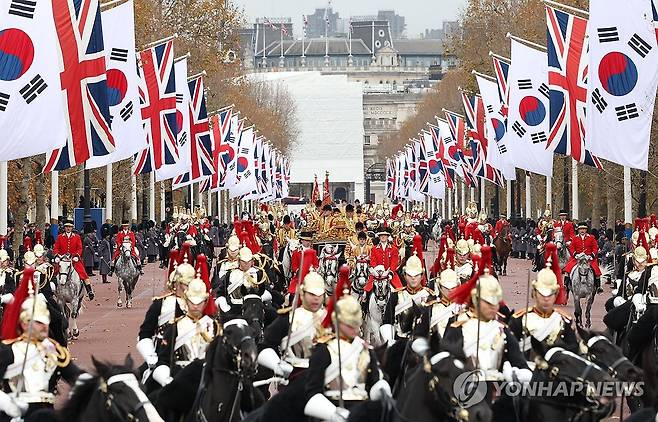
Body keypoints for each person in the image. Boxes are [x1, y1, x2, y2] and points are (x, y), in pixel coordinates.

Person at [0, 270, 82, 420]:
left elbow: (77, 377)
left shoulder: (53, 350)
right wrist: (7, 403)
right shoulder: (8, 350)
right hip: (14, 415)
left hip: (46, 415)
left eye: (45, 322)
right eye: (38, 322)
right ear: (25, 324)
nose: (44, 326)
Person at [443, 246, 529, 381]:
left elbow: (520, 363)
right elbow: (445, 364)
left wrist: (516, 374)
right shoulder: (458, 327)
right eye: (488, 302)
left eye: (495, 302)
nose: (493, 307)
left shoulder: (502, 331)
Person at [301, 294, 390, 421]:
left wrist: (381, 387)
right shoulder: (324, 350)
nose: (354, 328)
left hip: (362, 412)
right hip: (332, 409)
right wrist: (331, 413)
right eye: (349, 324)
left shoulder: (365, 349)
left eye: (356, 324)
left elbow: (374, 380)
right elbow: (312, 390)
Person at [150, 277, 219, 420]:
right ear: (186, 300)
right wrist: (167, 380)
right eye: (192, 301)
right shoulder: (174, 327)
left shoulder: (215, 326)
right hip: (181, 377)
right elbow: (163, 359)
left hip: (209, 377)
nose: (195, 306)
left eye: (199, 302)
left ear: (205, 302)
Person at [509, 251, 575, 360]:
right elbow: (511, 352)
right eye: (542, 294)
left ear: (556, 294)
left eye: (550, 294)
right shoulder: (519, 320)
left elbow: (572, 352)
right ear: (534, 293)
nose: (546, 298)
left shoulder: (564, 321)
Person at [261, 272, 327, 376]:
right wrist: (277, 365)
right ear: (302, 293)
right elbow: (267, 345)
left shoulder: (331, 319)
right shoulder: (287, 318)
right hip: (294, 374)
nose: (316, 298)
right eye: (312, 294)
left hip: (323, 376)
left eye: (320, 295)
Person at [380, 255, 431, 345]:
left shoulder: (430, 296)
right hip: (400, 343)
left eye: (416, 275)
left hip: (423, 343)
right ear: (404, 275)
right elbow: (387, 321)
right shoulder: (395, 296)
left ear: (422, 275)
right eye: (409, 275)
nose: (413, 278)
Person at [215, 246, 271, 320]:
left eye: (249, 261)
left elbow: (265, 289)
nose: (246, 264)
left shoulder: (259, 273)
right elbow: (222, 292)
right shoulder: (230, 274)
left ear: (252, 261)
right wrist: (224, 304)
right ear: (239, 260)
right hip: (234, 307)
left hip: (254, 306)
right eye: (244, 262)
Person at [52, 220, 94, 300]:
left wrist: (77, 256)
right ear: (64, 228)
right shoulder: (60, 237)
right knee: (54, 273)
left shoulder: (77, 237)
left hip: (73, 259)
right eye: (67, 227)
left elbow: (79, 248)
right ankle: (53, 290)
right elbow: (56, 248)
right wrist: (57, 256)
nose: (68, 228)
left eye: (70, 227)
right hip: (62, 259)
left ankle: (89, 291)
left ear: (72, 228)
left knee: (83, 273)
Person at [564, 222, 603, 293]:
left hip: (588, 258)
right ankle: (565, 286)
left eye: (584, 229)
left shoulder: (591, 237)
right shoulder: (575, 238)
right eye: (580, 229)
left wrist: (592, 255)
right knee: (568, 269)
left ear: (586, 230)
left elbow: (595, 248)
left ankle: (598, 287)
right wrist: (575, 254)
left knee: (596, 270)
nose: (582, 231)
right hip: (577, 258)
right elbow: (572, 248)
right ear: (578, 230)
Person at [366, 227, 402, 293]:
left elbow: (394, 262)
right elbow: (373, 261)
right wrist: (376, 271)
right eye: (381, 235)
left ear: (388, 236)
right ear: (379, 237)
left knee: (400, 291)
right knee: (367, 291)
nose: (383, 237)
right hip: (376, 273)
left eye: (384, 235)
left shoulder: (394, 249)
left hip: (390, 273)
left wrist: (390, 272)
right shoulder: (374, 249)